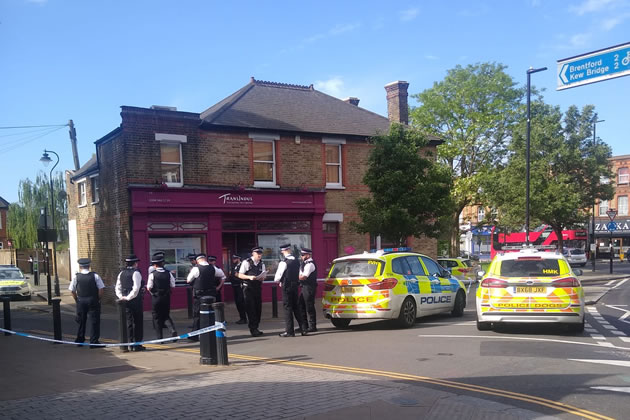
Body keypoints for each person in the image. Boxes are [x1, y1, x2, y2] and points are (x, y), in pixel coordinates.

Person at [69, 258, 105, 348]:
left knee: (81, 321)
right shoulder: (95, 276)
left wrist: (77, 300)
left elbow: (72, 290)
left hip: (81, 300)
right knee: (94, 321)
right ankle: (93, 342)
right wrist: (98, 298)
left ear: (80, 266)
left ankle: (80, 340)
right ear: (89, 266)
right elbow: (101, 289)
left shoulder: (76, 277)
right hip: (93, 300)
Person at [274, 244, 307, 337]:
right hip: (295, 285)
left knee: (287, 308)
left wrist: (279, 281)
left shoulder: (283, 262)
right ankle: (303, 329)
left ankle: (289, 331)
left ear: (283, 251)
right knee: (296, 307)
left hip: (287, 286)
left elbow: (277, 278)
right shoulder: (297, 260)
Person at [115, 254, 145, 351]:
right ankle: (137, 345)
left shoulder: (121, 273)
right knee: (138, 322)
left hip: (125, 300)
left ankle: (130, 343)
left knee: (129, 322)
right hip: (135, 300)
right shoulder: (136, 273)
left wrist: (121, 297)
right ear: (135, 263)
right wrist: (128, 298)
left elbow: (117, 287)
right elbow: (136, 288)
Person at [186, 253, 217, 341]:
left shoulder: (196, 268)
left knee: (197, 314)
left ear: (197, 260)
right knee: (211, 314)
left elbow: (188, 280)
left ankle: (195, 335)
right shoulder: (212, 267)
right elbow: (221, 276)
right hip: (211, 294)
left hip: (199, 295)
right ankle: (211, 334)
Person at [238, 246, 266, 337]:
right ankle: (253, 329)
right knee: (251, 309)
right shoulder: (247, 262)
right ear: (253, 253)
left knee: (258, 309)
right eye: (258, 253)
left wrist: (262, 278)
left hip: (257, 287)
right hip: (248, 288)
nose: (259, 255)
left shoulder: (262, 263)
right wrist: (249, 277)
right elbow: (240, 275)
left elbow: (263, 276)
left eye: (260, 253)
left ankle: (256, 327)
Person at [148, 251, 178, 337]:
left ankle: (160, 337)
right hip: (166, 297)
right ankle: (172, 330)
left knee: (157, 317)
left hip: (156, 297)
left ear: (155, 265)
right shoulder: (168, 273)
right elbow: (173, 285)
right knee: (166, 315)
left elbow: (149, 287)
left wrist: (154, 292)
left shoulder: (152, 274)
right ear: (162, 263)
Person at [298, 247, 318, 333]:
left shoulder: (310, 264)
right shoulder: (304, 263)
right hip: (304, 287)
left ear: (308, 255)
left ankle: (312, 326)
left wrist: (296, 278)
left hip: (309, 287)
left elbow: (304, 276)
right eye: (301, 255)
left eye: (303, 255)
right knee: (301, 305)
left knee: (309, 306)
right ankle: (304, 325)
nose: (301, 256)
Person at [229, 255, 247, 324]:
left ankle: (244, 318)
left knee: (241, 302)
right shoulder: (234, 266)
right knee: (238, 303)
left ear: (239, 259)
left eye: (235, 258)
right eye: (233, 258)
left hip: (240, 286)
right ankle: (242, 317)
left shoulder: (242, 266)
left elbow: (240, 276)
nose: (233, 260)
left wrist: (235, 276)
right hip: (235, 286)